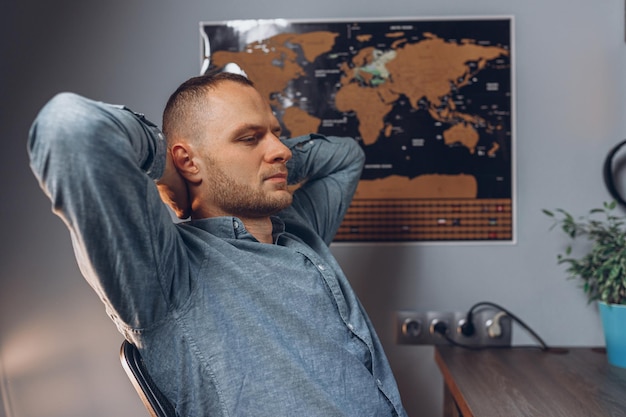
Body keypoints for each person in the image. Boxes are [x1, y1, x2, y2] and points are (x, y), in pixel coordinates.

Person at [28, 71, 408, 417]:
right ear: (188, 161)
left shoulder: (298, 226)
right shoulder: (168, 270)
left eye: (276, 133)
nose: (283, 150)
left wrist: (265, 153)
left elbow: (346, 157)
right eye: (249, 138)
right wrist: (167, 172)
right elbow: (69, 127)